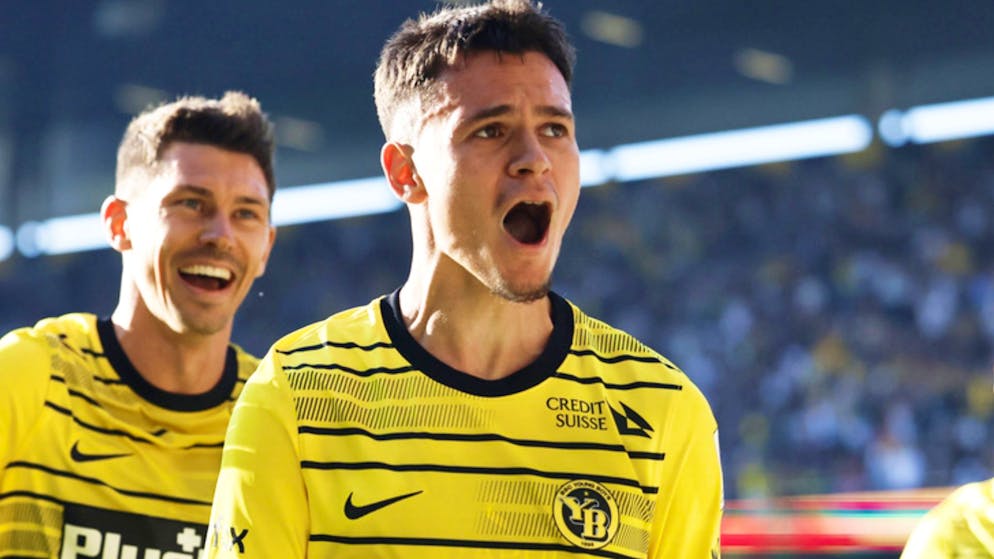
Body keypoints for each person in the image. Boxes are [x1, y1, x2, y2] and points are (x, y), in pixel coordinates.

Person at [206, 1, 722, 557]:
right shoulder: (294, 395)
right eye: (490, 130)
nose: (534, 159)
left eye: (554, 129)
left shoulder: (664, 412)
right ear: (405, 172)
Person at [0, 91, 277, 557]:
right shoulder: (28, 377)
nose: (220, 236)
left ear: (266, 246)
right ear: (119, 223)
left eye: (245, 213)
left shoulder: (275, 418)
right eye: (191, 203)